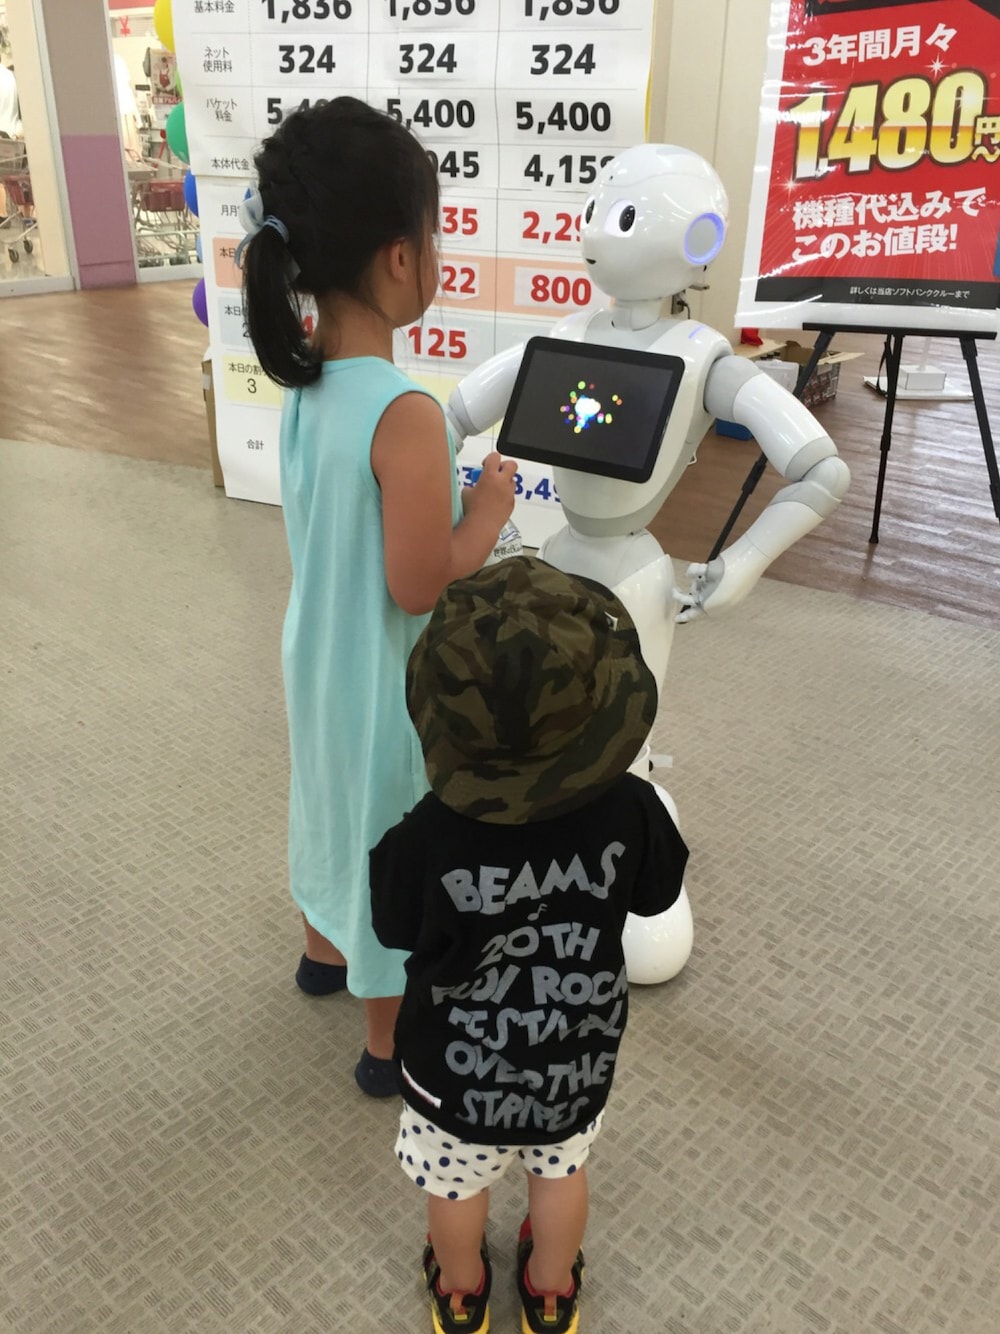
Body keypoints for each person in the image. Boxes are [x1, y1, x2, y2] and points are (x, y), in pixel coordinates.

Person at [238, 97, 518, 1097]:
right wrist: (486, 510)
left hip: (314, 653)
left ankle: (321, 948)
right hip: (384, 684)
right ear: (401, 258)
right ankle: (388, 1042)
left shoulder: (307, 376)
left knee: (325, 802)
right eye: (435, 236)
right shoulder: (406, 414)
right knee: (391, 835)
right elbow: (419, 581)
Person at [371, 555, 689, 1334]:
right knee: (559, 1175)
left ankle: (460, 1291)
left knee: (454, 1187)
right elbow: (655, 895)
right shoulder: (634, 808)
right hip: (572, 1052)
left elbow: (394, 928)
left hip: (454, 1065)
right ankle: (549, 1290)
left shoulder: (426, 833)